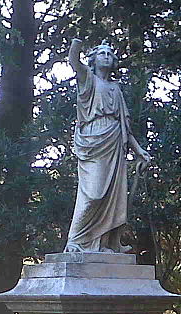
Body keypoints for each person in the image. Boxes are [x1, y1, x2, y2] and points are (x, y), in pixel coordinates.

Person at [64, 38, 151, 253]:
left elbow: (125, 127)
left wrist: (139, 151)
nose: (107, 56)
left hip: (114, 141)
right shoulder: (88, 79)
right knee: (93, 193)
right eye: (102, 53)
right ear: (93, 60)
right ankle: (75, 241)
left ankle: (104, 244)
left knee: (113, 195)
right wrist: (76, 44)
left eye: (110, 54)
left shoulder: (115, 88)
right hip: (94, 139)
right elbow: (74, 62)